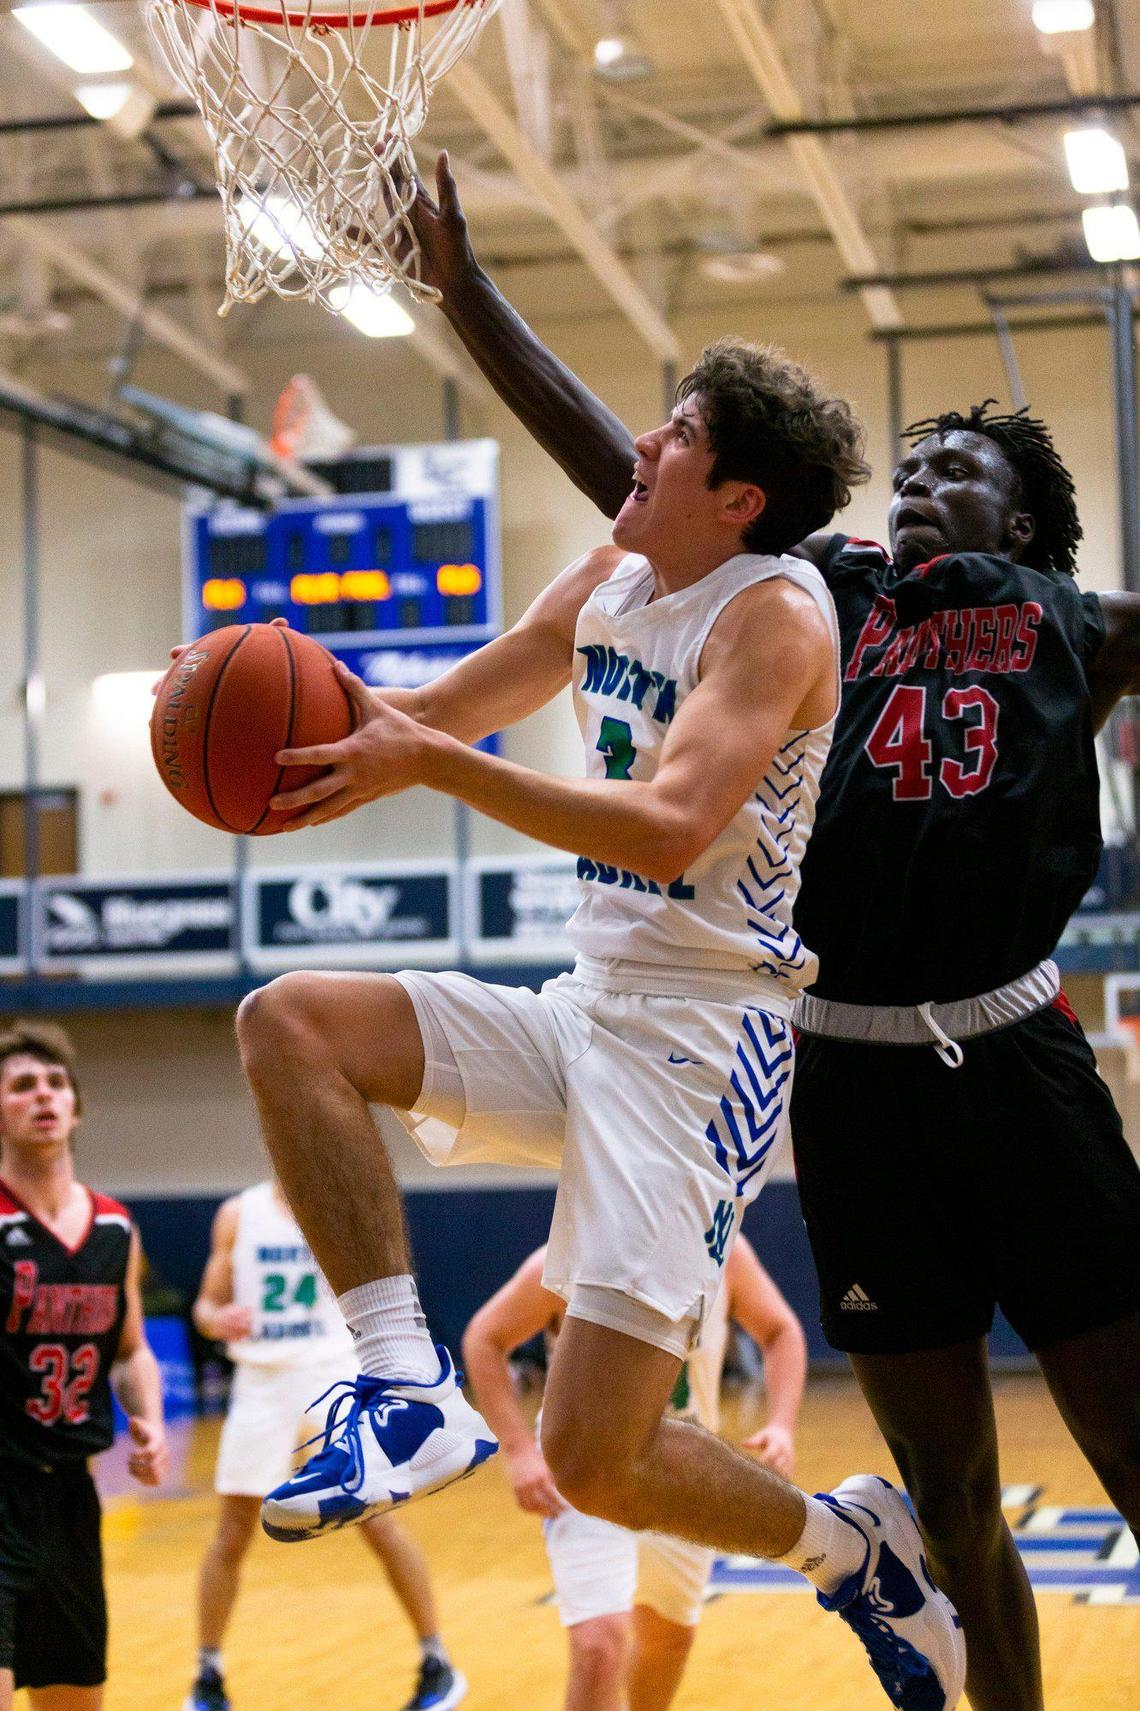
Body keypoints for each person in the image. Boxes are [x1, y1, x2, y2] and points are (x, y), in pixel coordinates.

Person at [389, 154, 1140, 1711]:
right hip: (849, 1082)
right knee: (947, 1492)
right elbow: (630, 467)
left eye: (963, 467)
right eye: (912, 458)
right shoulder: (816, 593)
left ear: (1031, 523)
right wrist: (466, 291)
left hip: (1024, 1064)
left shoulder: (1085, 624)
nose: (923, 476)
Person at [229, 327, 971, 1711]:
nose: (639, 448)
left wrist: (433, 762)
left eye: (675, 435)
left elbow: (669, 825)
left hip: (706, 1043)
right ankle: (401, 1383)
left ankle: (847, 1542)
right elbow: (438, 707)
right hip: (592, 1002)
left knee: (598, 1455)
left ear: (740, 495)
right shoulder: (612, 576)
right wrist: (251, 700)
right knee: (293, 1022)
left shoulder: (776, 613)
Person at [461, 1232, 806, 1711]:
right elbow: (485, 1337)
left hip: (684, 1470)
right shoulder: (577, 1249)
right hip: (586, 1462)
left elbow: (780, 1330)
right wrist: (519, 1452)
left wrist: (782, 1426)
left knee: (668, 1640)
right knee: (599, 1646)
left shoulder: (726, 1249)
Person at [186, 1179, 466, 1711]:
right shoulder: (237, 1214)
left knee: (378, 1519)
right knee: (233, 1530)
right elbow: (205, 1305)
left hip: (331, 1377)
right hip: (261, 1383)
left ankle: (437, 1659)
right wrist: (215, 1321)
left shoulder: (343, 1202)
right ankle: (208, 1672)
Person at [0, 1021, 167, 1711]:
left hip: (71, 1493)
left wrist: (148, 1417)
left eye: (55, 1082)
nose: (43, 1094)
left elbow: (129, 1348)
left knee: (75, 1700)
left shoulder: (113, 1227)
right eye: (21, 1085)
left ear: (76, 1104)